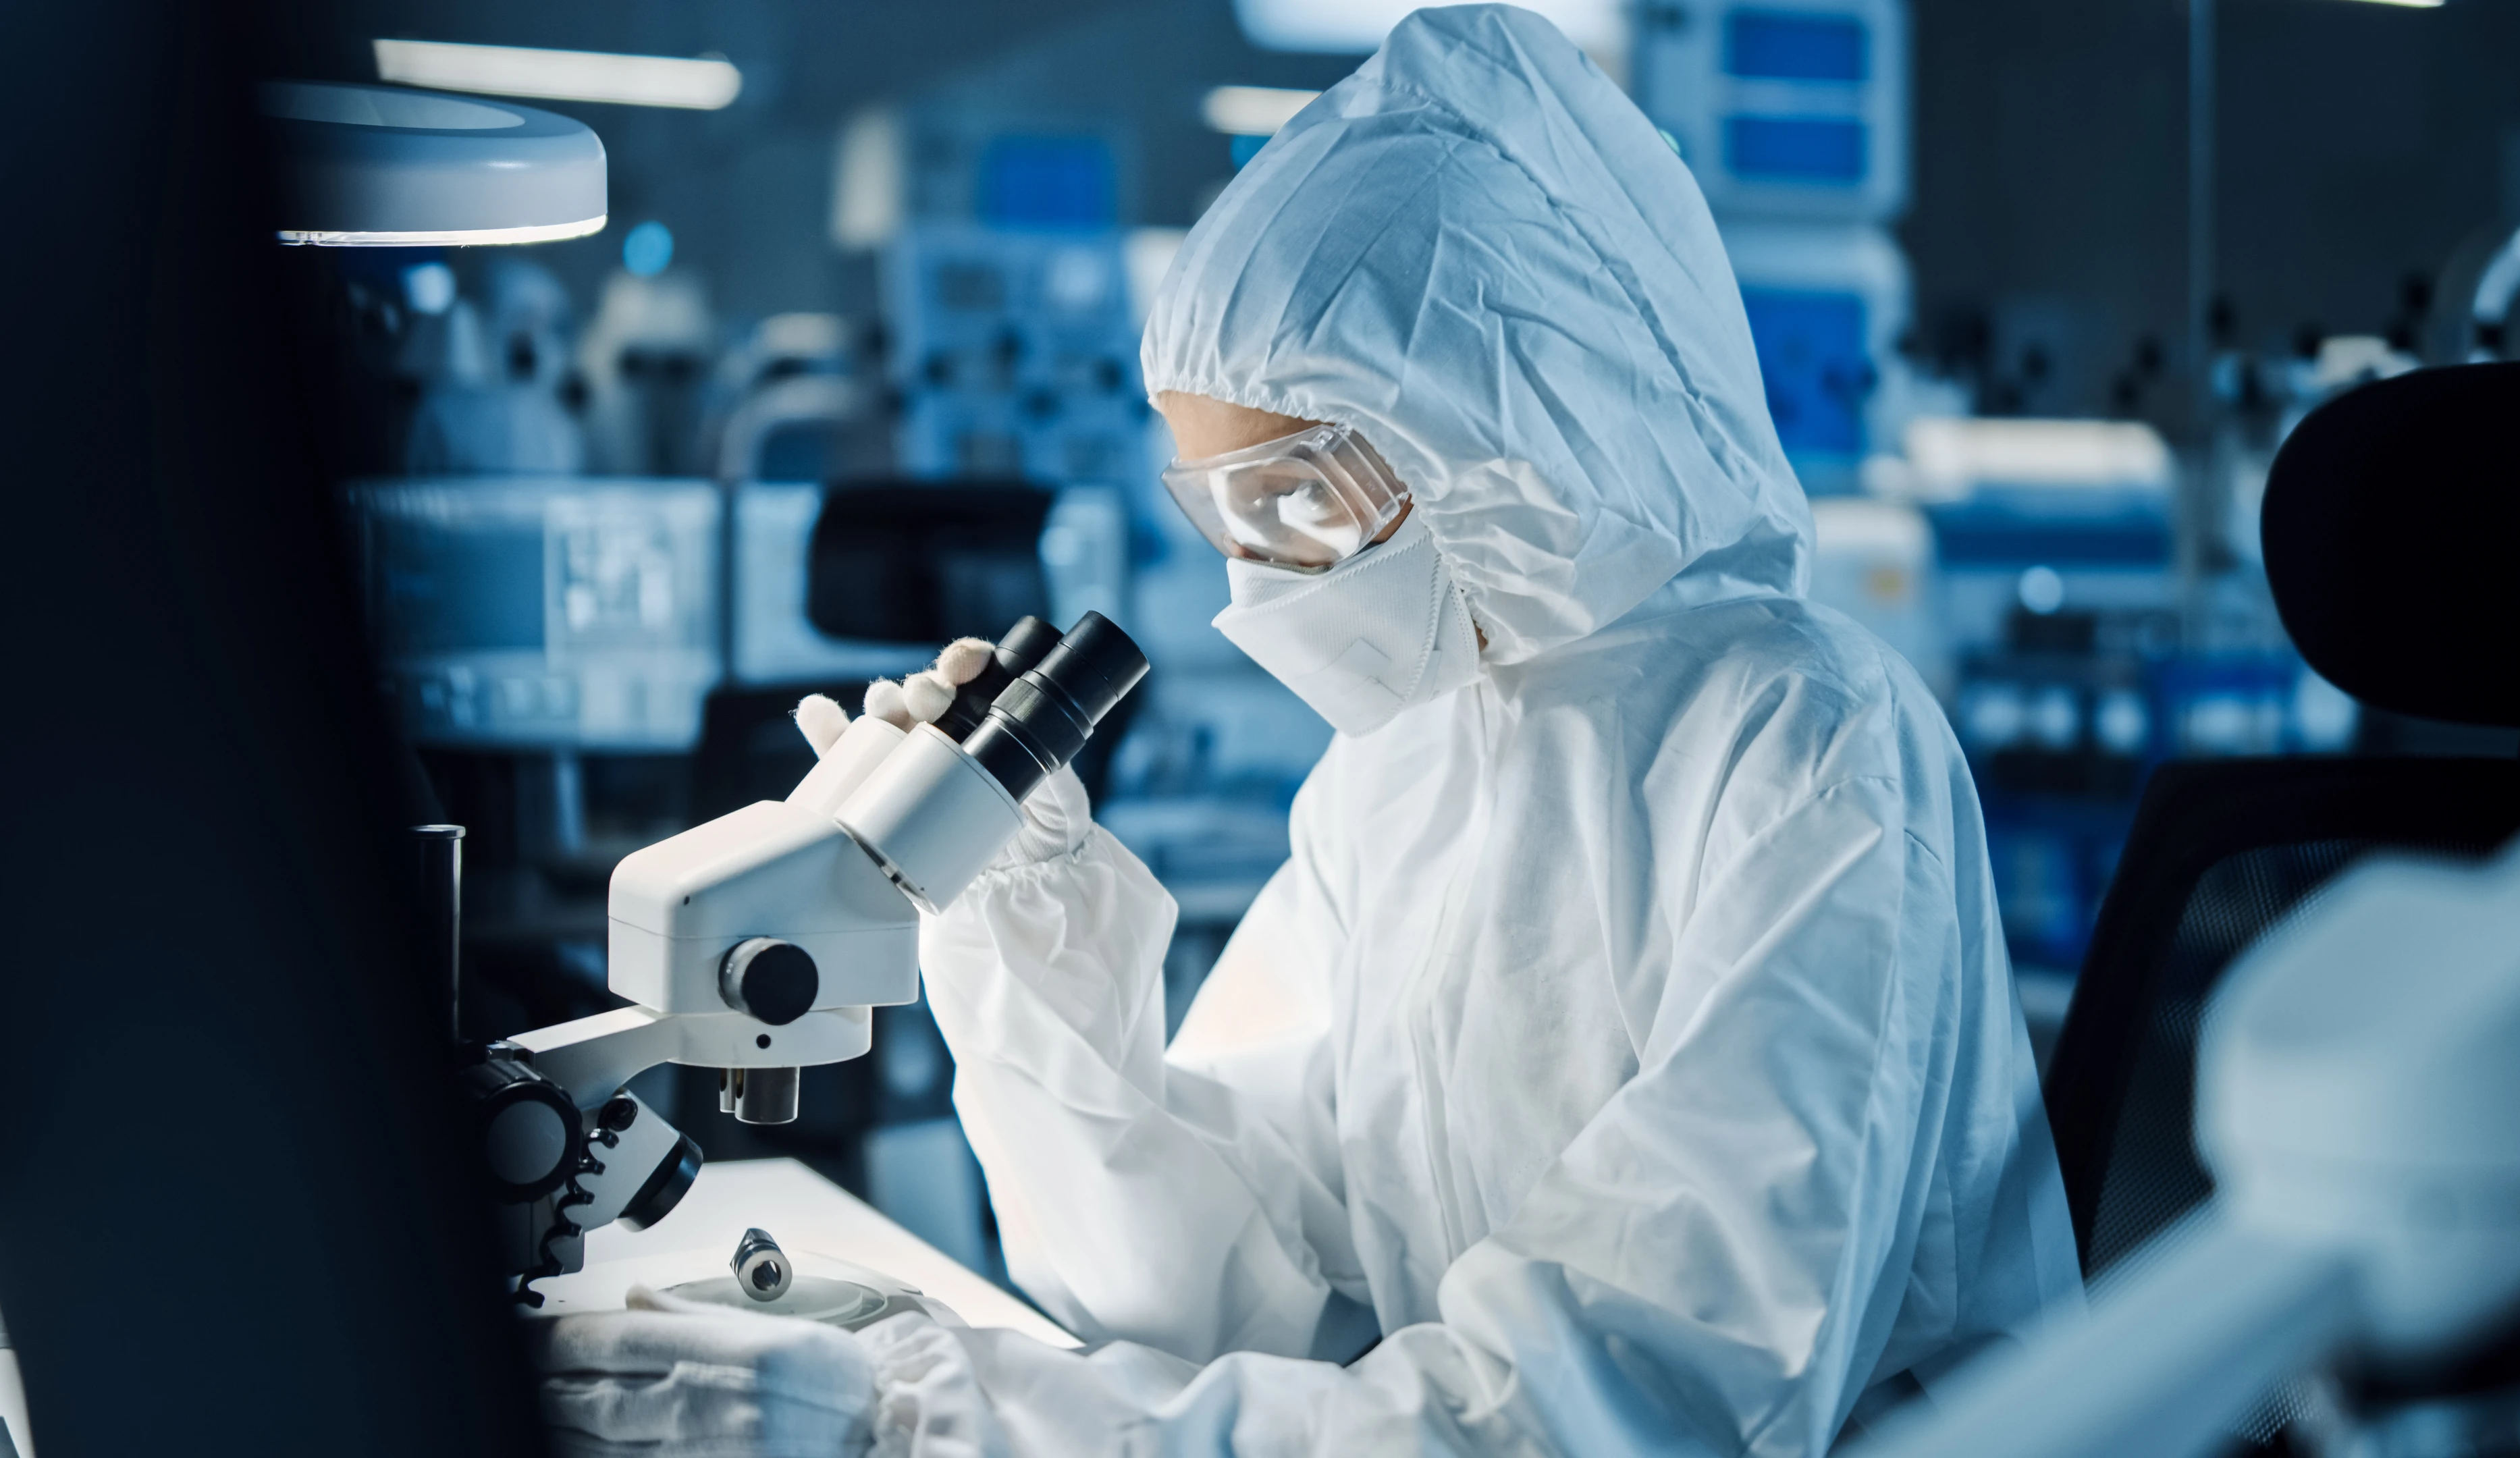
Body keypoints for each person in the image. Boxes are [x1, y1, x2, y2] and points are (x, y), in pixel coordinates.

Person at [539, 7, 2080, 1453]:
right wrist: (1032, 956)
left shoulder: (1813, 748)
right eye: (1224, 512)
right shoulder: (1403, 769)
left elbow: (1627, 1407)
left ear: (1515, 436)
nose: (1258, 578)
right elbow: (1224, 1297)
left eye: (1298, 502)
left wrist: (938, 1420)